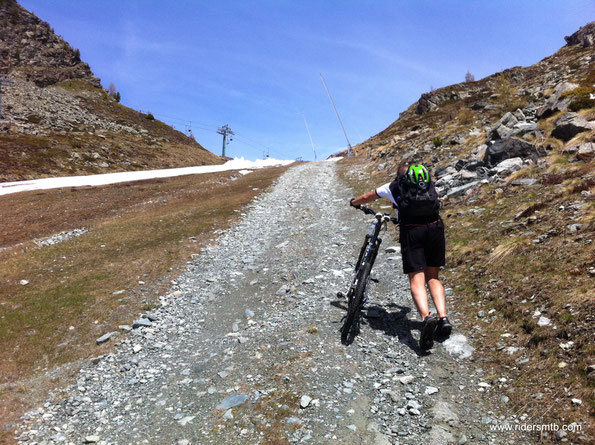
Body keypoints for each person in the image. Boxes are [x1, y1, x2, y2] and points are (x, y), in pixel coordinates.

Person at [349, 162, 452, 351]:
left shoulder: (393, 186)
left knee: (416, 279)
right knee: (433, 277)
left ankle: (427, 317)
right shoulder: (427, 183)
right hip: (435, 227)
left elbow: (367, 197)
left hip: (412, 232)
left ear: (399, 175)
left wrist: (354, 203)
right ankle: (443, 318)